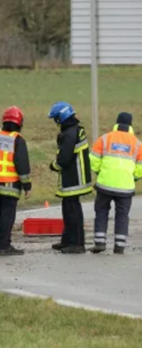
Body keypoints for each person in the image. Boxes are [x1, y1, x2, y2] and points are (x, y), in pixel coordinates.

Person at [89, 112, 142, 254]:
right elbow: (140, 167)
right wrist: (133, 177)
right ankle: (119, 245)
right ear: (130, 125)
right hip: (125, 186)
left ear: (117, 123)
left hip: (105, 184)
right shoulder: (137, 143)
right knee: (122, 215)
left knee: (101, 211)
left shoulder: (105, 138)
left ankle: (100, 242)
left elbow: (93, 160)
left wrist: (100, 172)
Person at [47, 101, 93, 254]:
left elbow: (64, 158)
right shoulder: (73, 130)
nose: (56, 122)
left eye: (56, 119)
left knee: (72, 212)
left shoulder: (70, 133)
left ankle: (77, 244)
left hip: (74, 179)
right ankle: (67, 240)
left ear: (62, 117)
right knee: (68, 210)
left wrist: (53, 165)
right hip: (74, 178)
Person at [0, 106, 32, 256]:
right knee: (7, 216)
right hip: (10, 185)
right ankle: (4, 246)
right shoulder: (17, 139)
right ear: (19, 123)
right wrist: (27, 185)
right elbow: (22, 164)